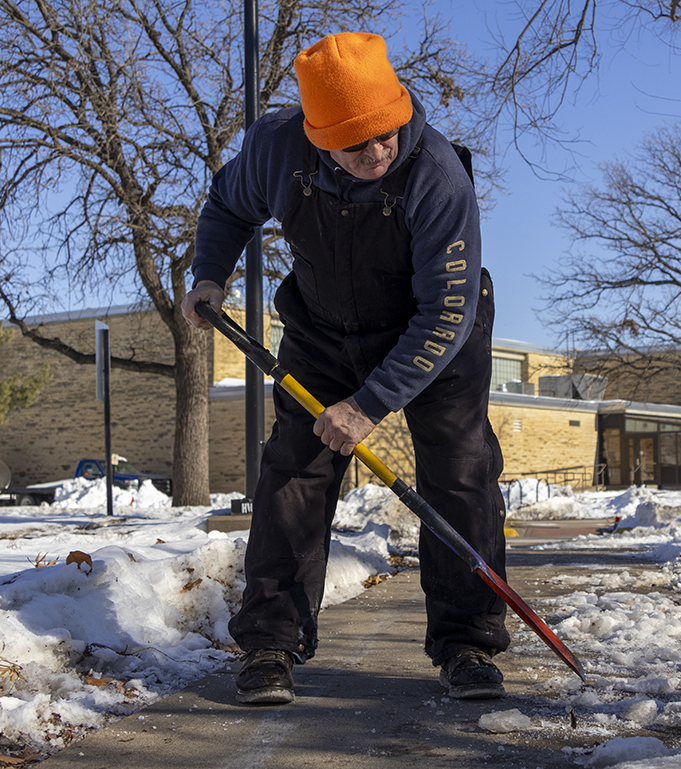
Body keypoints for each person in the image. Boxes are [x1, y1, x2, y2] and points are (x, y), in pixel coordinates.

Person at [181, 32, 510, 704]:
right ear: (317, 134)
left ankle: (469, 643)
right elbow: (227, 205)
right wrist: (210, 273)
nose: (379, 151)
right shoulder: (276, 149)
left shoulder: (437, 174)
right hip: (324, 328)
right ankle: (271, 641)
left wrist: (368, 404)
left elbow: (445, 314)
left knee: (461, 467)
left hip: (434, 329)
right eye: (357, 143)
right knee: (294, 470)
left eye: (387, 133)